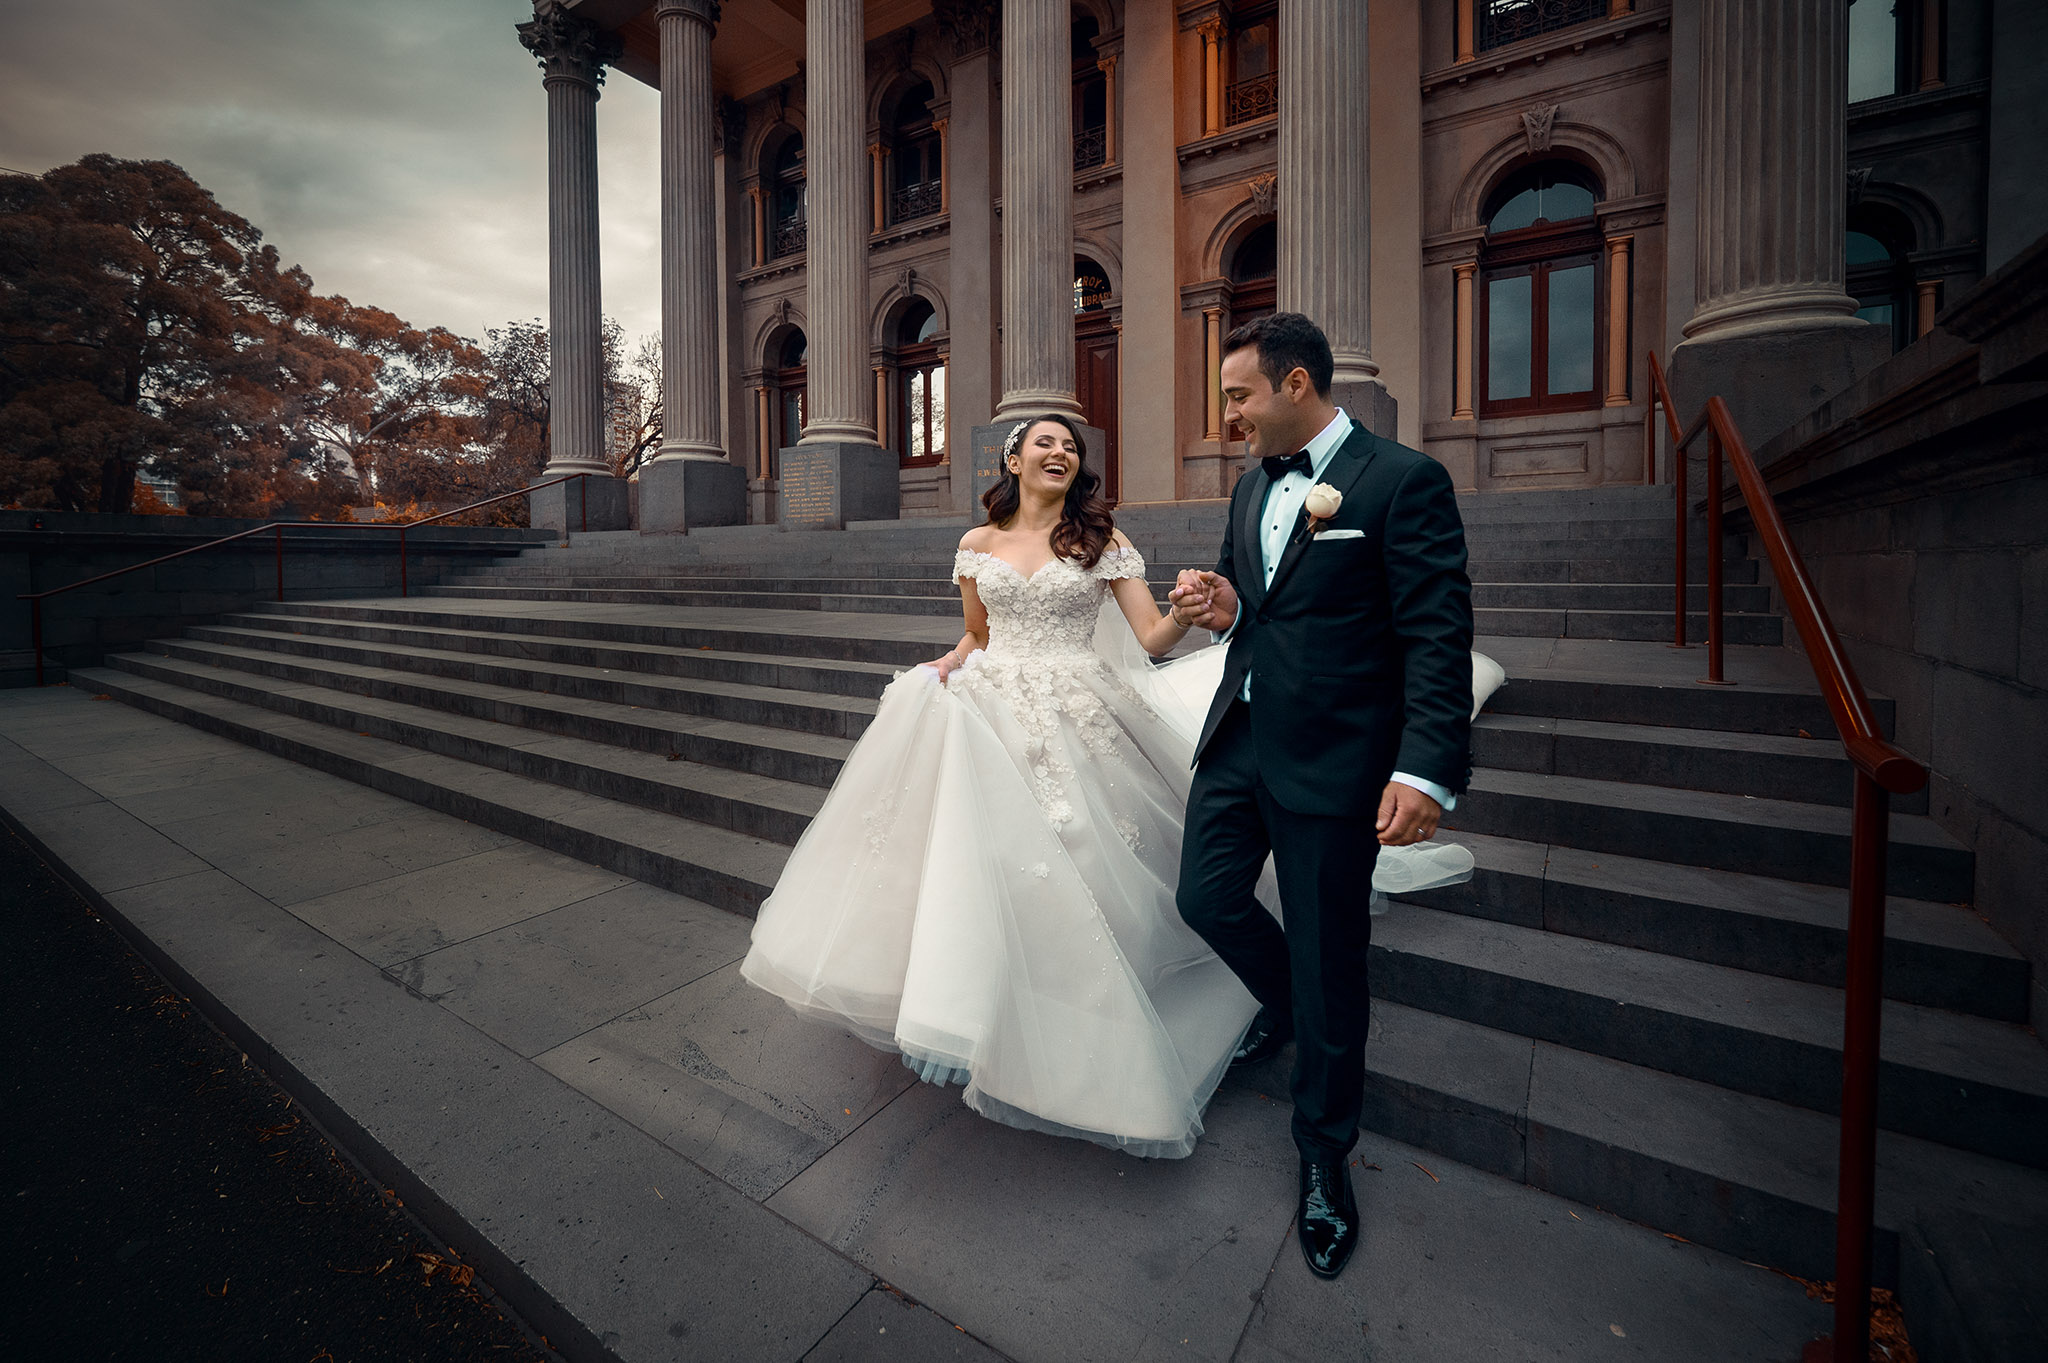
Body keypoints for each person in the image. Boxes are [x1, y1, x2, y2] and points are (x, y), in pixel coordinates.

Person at [740, 406, 1490, 1162]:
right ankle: (992, 1006)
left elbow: (1153, 639)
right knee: (983, 865)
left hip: (1079, 711)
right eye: (1046, 443)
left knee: (1086, 862)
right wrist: (947, 663)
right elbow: (979, 631)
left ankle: (1087, 1015)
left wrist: (1188, 612)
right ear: (1014, 460)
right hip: (989, 712)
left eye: (1071, 446)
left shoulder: (1103, 542)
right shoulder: (975, 543)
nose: (1061, 452)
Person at [1168, 312, 1476, 1280]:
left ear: (1294, 385)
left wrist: (1422, 769)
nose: (1227, 415)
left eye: (1237, 395)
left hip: (1336, 764)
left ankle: (1320, 1157)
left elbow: (1433, 634)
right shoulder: (1249, 485)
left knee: (1328, 953)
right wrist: (1223, 605)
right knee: (1205, 898)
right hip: (1239, 743)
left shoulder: (1402, 481)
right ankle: (1296, 1009)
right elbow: (1260, 607)